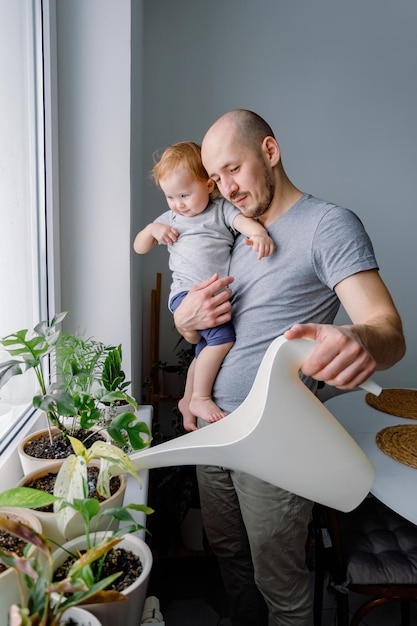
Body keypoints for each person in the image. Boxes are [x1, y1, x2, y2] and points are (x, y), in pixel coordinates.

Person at [172, 110, 406, 626]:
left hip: (274, 437)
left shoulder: (328, 224)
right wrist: (187, 322)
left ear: (270, 152)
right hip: (215, 428)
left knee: (279, 580)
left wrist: (357, 337)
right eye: (215, 178)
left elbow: (388, 330)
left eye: (234, 169)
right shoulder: (237, 235)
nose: (226, 187)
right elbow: (208, 329)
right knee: (231, 561)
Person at [134, 141, 274, 429]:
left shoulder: (221, 211)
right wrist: (151, 230)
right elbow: (139, 247)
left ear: (209, 185)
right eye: (170, 197)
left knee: (205, 348)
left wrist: (258, 233)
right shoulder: (171, 219)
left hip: (212, 298)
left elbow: (243, 223)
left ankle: (187, 401)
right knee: (223, 340)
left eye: (185, 194)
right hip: (185, 296)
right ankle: (200, 396)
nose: (178, 204)